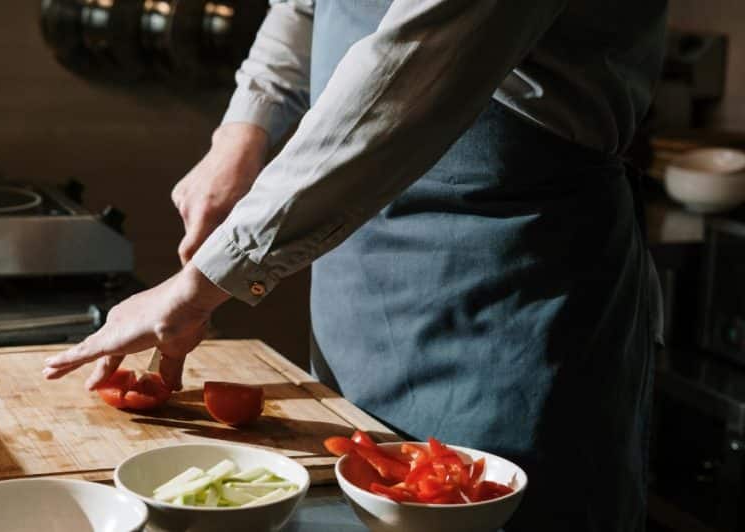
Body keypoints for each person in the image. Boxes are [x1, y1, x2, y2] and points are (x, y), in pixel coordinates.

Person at [44, 0, 668, 529]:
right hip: (361, 283)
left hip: (514, 297)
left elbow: (417, 67)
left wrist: (204, 281)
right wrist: (243, 128)